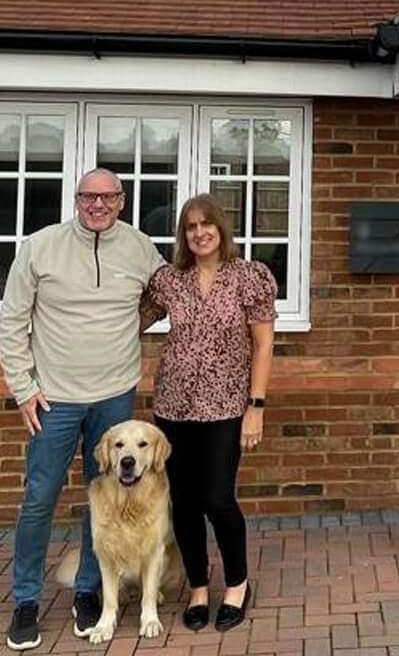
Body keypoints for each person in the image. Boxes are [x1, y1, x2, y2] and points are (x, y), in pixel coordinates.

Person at [0, 168, 165, 651]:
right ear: (77, 199)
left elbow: (165, 293)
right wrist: (23, 389)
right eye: (89, 196)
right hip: (53, 397)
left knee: (107, 499)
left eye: (107, 197)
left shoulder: (138, 247)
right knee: (40, 498)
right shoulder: (40, 246)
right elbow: (12, 319)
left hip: (114, 394)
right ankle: (26, 600)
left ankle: (89, 591)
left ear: (122, 200)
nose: (98, 205)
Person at [141, 192, 277, 632]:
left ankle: (236, 583)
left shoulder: (248, 277)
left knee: (218, 498)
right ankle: (199, 586)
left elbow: (263, 344)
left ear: (221, 229)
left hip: (226, 406)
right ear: (183, 234)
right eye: (190, 226)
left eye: (207, 224)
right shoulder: (170, 281)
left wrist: (255, 407)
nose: (199, 233)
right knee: (184, 502)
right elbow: (128, 319)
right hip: (174, 407)